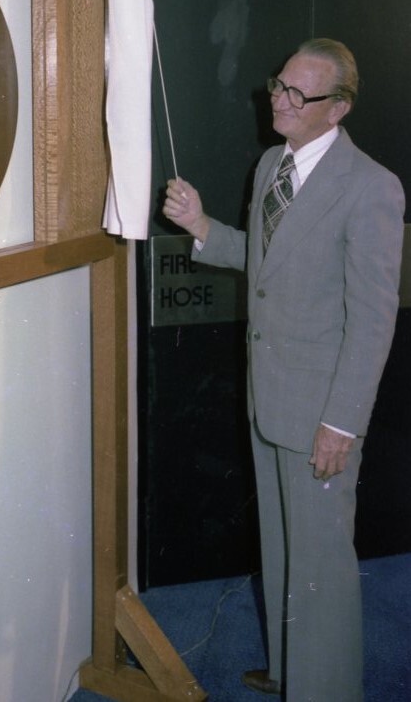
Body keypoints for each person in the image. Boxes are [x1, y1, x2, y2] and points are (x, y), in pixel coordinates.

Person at [163, 38, 405, 701]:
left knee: (321, 564)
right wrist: (202, 224)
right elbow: (266, 263)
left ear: (338, 108)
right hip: (268, 394)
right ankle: (292, 670)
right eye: (279, 84)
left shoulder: (371, 188)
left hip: (321, 410)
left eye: (299, 93)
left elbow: (372, 320)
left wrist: (341, 423)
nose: (279, 99)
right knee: (281, 548)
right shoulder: (272, 162)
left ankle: (324, 689)